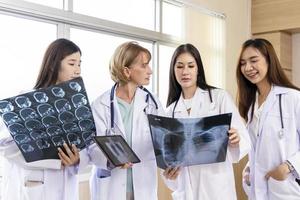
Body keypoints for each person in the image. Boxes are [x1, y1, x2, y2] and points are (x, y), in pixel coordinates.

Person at [163, 43, 251, 200]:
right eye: (180, 66)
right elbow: (168, 164)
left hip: (216, 188)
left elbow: (243, 136)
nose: (185, 72)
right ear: (173, 70)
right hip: (186, 191)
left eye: (191, 66)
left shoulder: (219, 98)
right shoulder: (169, 112)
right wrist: (170, 175)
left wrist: (236, 140)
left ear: (198, 69)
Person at [81, 41, 164, 200]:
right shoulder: (100, 105)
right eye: (144, 65)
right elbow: (91, 146)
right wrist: (112, 160)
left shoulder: (153, 102)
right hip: (111, 186)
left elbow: (165, 137)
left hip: (143, 184)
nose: (150, 71)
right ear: (127, 71)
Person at [0, 38, 82, 200]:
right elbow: (5, 145)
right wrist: (52, 160)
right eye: (72, 64)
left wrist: (77, 159)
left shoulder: (77, 105)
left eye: (80, 64)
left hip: (67, 186)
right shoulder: (24, 100)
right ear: (53, 65)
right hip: (36, 187)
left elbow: (85, 145)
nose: (78, 70)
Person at [236, 38, 300, 199]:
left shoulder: (293, 98)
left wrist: (288, 167)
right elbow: (259, 147)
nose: (248, 68)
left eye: (254, 60)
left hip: (286, 189)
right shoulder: (251, 104)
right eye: (243, 63)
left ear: (269, 60)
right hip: (259, 189)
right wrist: (249, 169)